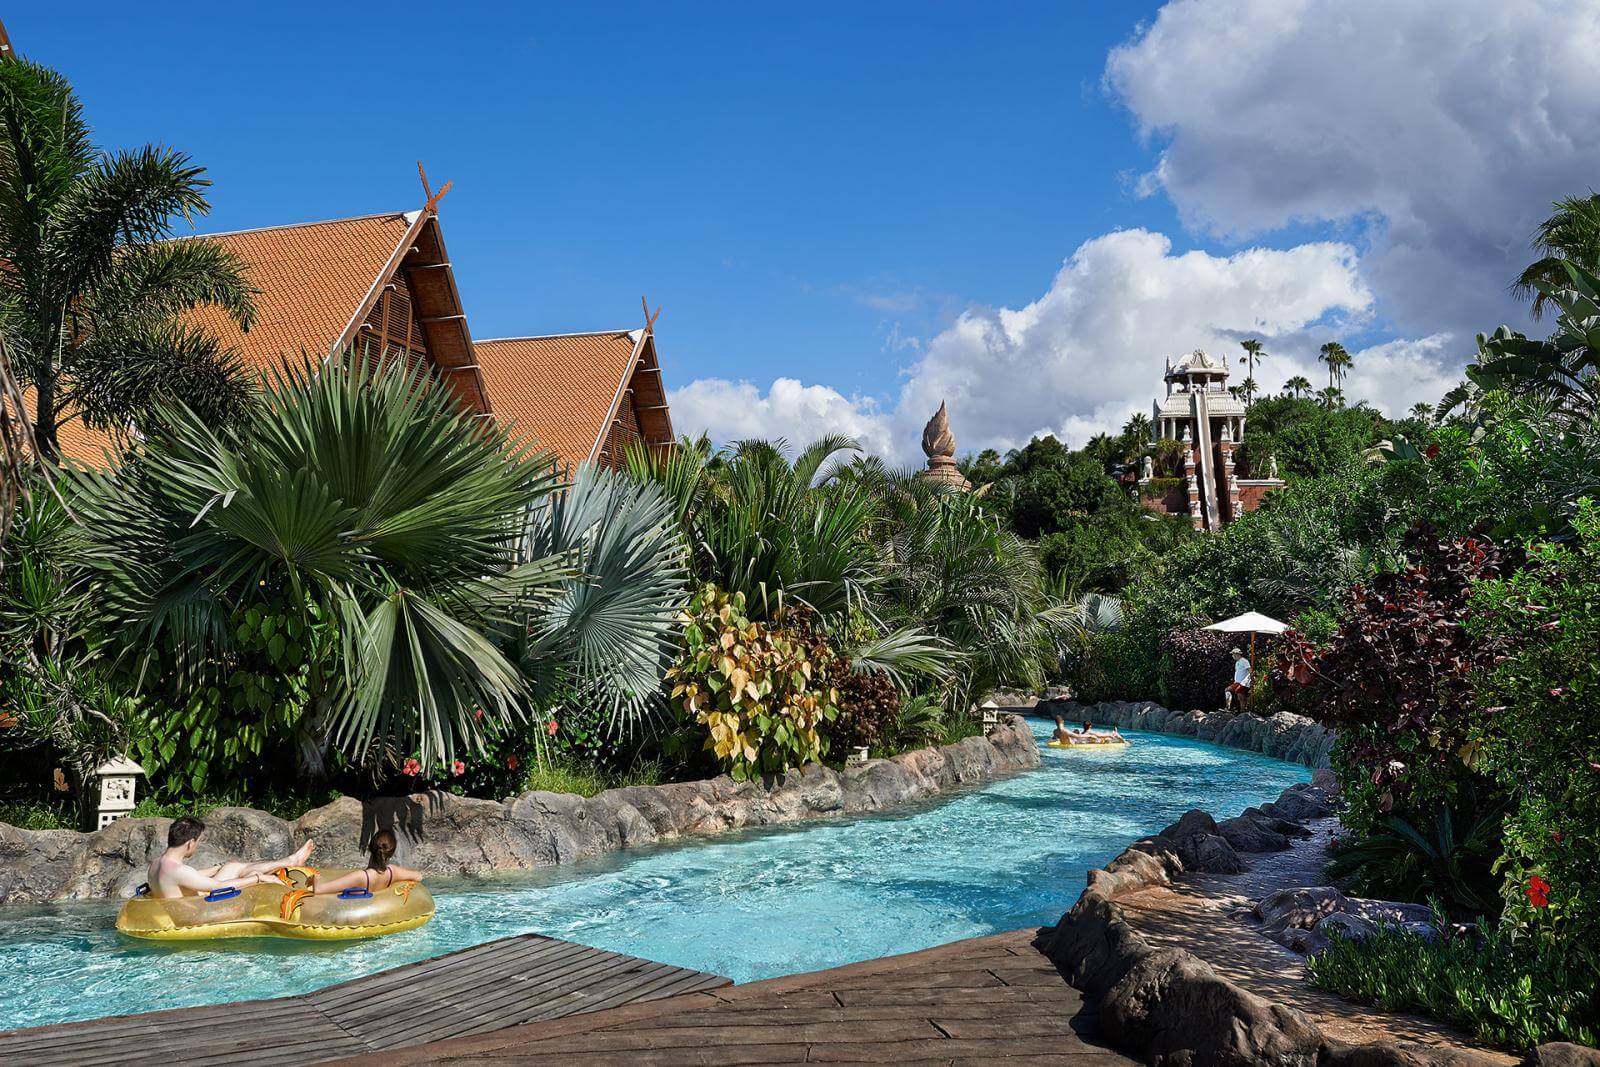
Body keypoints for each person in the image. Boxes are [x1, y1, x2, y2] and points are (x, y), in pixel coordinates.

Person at [147, 815, 314, 900]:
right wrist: (258, 878)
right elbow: (217, 887)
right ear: (190, 843)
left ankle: (290, 861)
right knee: (248, 878)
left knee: (231, 867)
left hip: (186, 903)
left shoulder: (158, 863)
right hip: (192, 912)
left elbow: (188, 878)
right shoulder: (178, 870)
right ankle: (287, 862)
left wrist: (217, 868)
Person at [309, 829, 422, 896]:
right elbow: (418, 876)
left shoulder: (360, 877)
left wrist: (315, 878)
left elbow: (319, 890)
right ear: (391, 853)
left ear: (369, 848)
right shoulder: (393, 872)